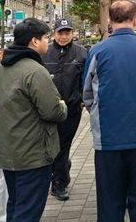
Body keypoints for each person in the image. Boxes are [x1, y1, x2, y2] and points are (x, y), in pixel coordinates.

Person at [83, 0, 136, 222]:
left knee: (110, 205)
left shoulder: (97, 51)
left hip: (108, 141)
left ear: (109, 21)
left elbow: (87, 97)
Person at [0, 18, 68, 222]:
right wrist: (63, 105)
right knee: (28, 212)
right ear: (34, 41)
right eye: (45, 37)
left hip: (9, 153)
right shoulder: (35, 71)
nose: (48, 41)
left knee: (15, 206)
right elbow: (52, 111)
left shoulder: (3, 68)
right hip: (33, 155)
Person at [43, 18, 88, 201]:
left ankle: (59, 183)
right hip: (48, 109)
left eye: (67, 32)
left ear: (72, 33)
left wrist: (83, 100)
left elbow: (86, 79)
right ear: (54, 33)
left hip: (71, 109)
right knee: (50, 146)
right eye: (60, 32)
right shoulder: (44, 52)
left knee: (63, 145)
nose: (63, 36)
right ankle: (61, 169)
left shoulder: (82, 53)